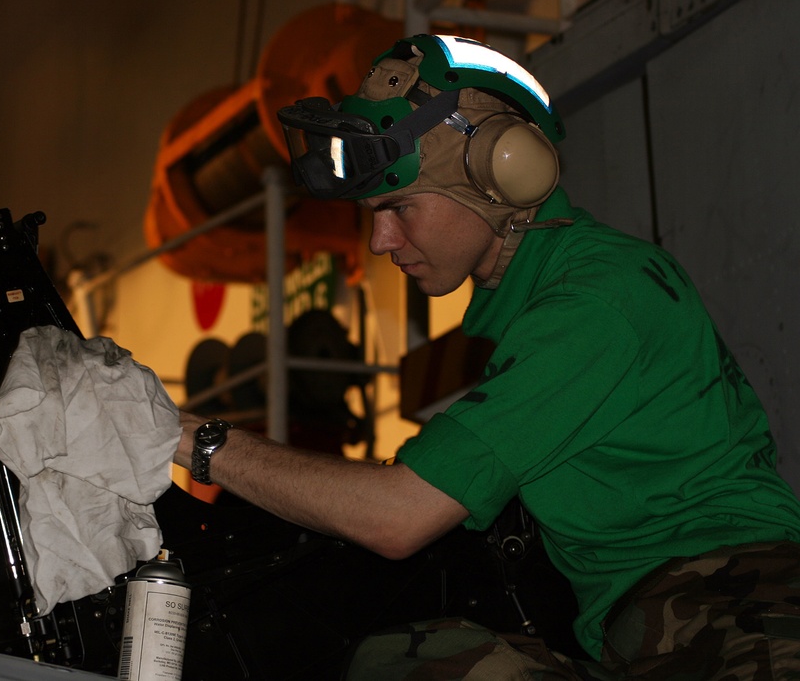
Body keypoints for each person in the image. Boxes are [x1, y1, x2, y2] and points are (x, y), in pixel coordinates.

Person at [174, 34, 800, 679]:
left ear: (504, 173)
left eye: (397, 208)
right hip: (652, 637)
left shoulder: (597, 301)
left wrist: (183, 436)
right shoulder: (554, 302)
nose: (382, 241)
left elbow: (399, 517)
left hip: (737, 615)